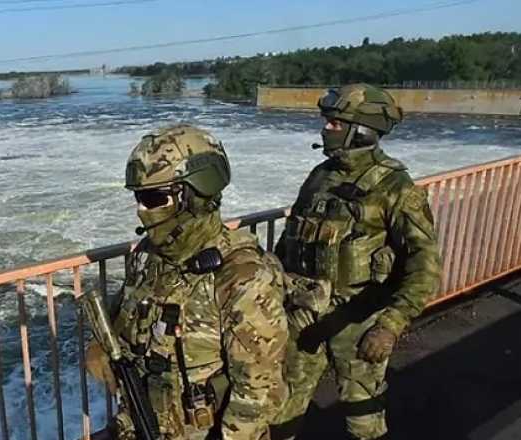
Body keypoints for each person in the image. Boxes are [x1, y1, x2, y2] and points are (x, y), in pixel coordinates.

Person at [88, 124, 289, 440]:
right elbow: (126, 312)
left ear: (194, 196)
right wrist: (101, 344)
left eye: (153, 198)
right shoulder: (149, 255)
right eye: (138, 198)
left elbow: (259, 392)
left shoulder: (242, 275)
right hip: (141, 421)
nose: (141, 211)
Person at [269, 84, 442, 440]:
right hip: (304, 312)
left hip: (358, 320)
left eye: (335, 123)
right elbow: (291, 238)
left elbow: (425, 264)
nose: (326, 128)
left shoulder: (395, 187)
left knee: (364, 415)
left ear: (362, 130)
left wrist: (390, 326)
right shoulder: (320, 176)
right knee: (283, 407)